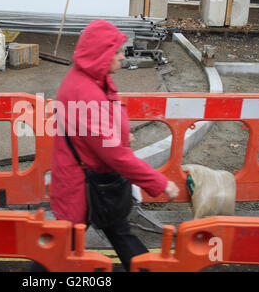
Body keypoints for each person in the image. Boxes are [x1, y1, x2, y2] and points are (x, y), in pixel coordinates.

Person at [49, 19, 179, 272]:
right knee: (61, 251)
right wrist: (159, 183)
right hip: (81, 187)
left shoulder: (94, 77)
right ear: (101, 54)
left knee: (112, 231)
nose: (122, 56)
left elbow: (105, 129)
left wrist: (121, 135)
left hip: (90, 182)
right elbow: (115, 155)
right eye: (117, 51)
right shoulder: (86, 90)